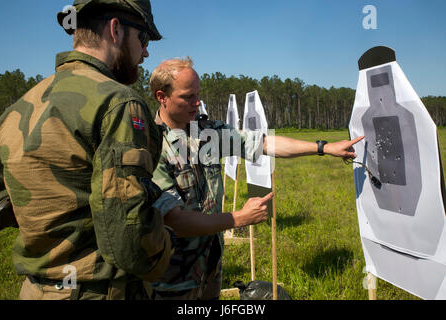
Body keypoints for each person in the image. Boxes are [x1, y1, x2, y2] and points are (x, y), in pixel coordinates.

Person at [0, 0, 173, 300]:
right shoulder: (118, 103)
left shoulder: (18, 109)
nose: (145, 52)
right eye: (143, 38)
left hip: (35, 290)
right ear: (115, 29)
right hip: (99, 291)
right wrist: (166, 243)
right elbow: (128, 241)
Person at [149, 57, 364, 300]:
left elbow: (264, 143)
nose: (197, 103)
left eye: (198, 94)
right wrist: (238, 218)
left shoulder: (207, 133)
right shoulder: (152, 145)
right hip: (173, 278)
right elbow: (177, 222)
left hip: (210, 266)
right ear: (162, 97)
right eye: (188, 96)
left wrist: (323, 148)